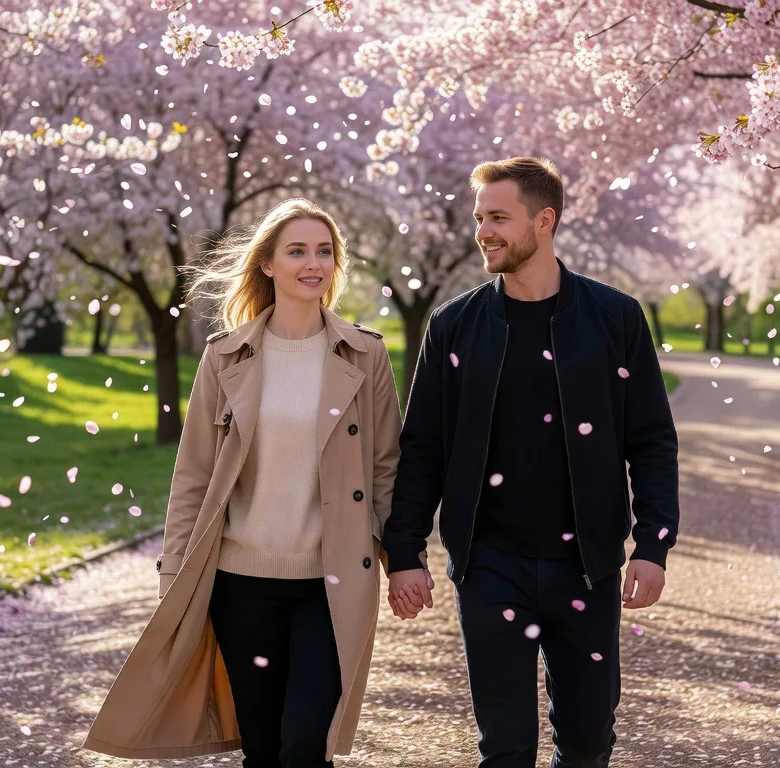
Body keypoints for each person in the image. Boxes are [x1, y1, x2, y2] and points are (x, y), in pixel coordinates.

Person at [82, 198, 414, 767]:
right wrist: (173, 574)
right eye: (297, 251)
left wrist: (400, 558)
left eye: (325, 251)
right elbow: (193, 476)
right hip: (240, 586)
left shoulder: (365, 353)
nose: (314, 263)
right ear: (266, 264)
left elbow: (385, 468)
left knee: (307, 746)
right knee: (261, 749)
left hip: (329, 584)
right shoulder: (224, 356)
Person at [382, 157, 680, 768]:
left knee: (589, 743)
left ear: (544, 221)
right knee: (505, 747)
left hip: (588, 565)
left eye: (498, 217)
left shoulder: (615, 318)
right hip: (490, 563)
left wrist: (652, 545)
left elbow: (651, 439)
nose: (482, 231)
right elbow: (423, 448)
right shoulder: (455, 325)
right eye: (479, 218)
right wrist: (405, 553)